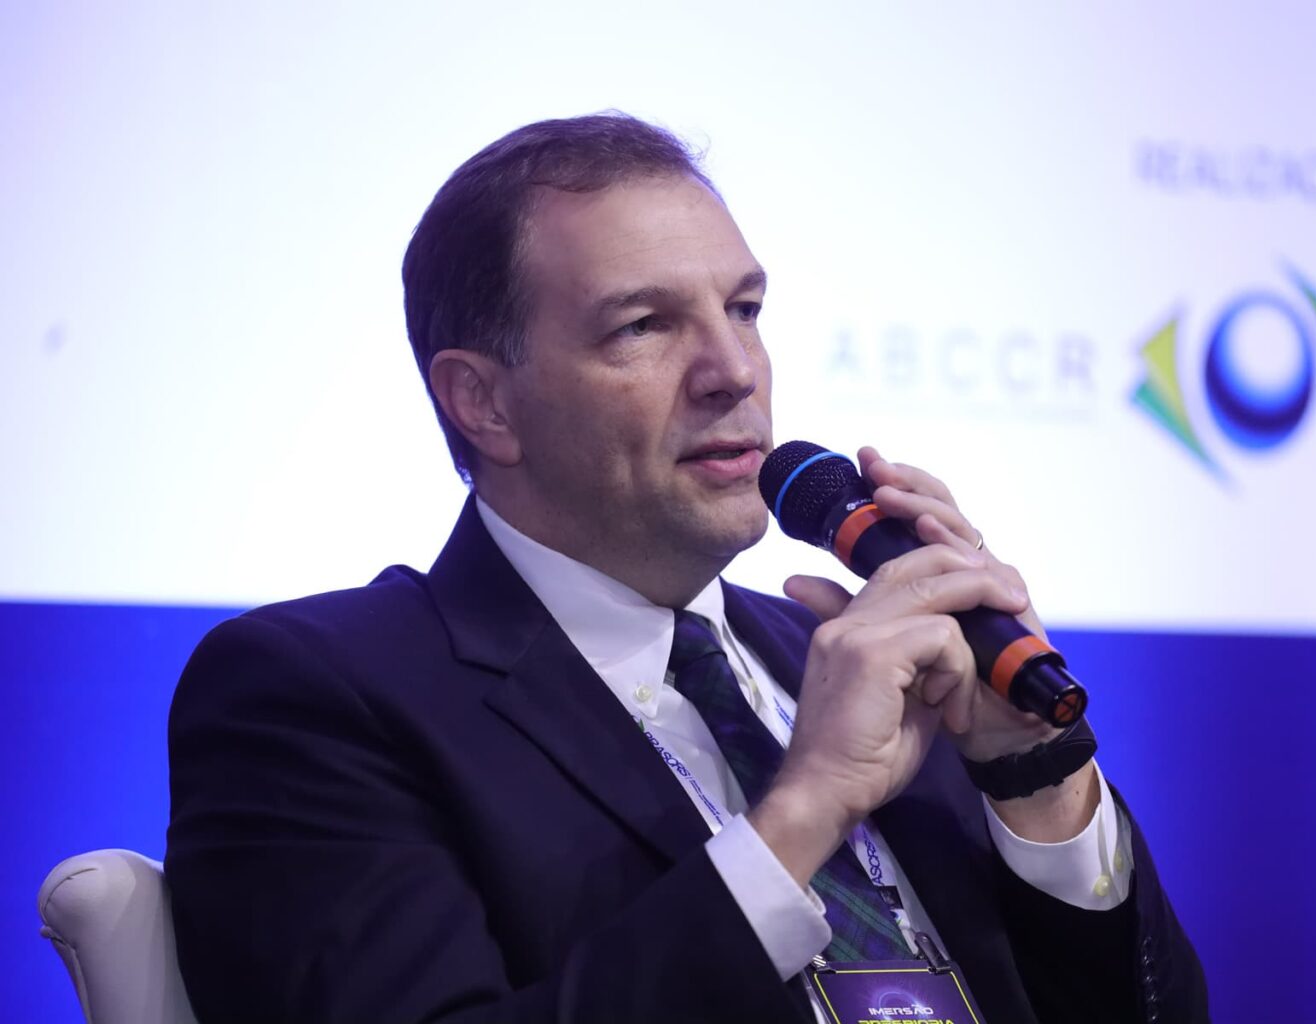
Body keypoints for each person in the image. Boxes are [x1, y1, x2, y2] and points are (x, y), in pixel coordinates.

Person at [166, 113, 1208, 1023]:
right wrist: (802, 809)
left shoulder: (868, 657)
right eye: (644, 325)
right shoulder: (317, 694)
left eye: (744, 310)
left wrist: (1034, 779)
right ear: (483, 402)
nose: (733, 371)